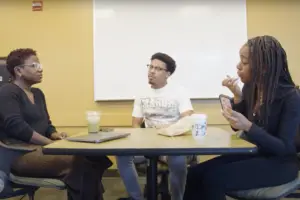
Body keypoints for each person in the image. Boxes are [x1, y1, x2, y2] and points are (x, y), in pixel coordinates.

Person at [183, 35, 300, 200]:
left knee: (213, 179)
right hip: (255, 154)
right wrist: (238, 100)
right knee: (194, 174)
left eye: (244, 63)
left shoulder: (291, 97)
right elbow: (238, 127)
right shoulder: (251, 88)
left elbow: (284, 148)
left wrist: (249, 127)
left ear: (263, 67)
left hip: (281, 163)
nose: (238, 66)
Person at [0, 48, 112, 200]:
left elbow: (46, 124)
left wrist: (54, 134)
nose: (40, 69)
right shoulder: (7, 91)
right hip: (19, 155)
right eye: (34, 65)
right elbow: (16, 126)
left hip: (40, 150)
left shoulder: (38, 94)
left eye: (39, 64)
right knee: (81, 162)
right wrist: (50, 144)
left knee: (92, 156)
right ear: (18, 71)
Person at [117, 52, 194, 200]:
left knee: (177, 159)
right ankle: (136, 197)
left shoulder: (179, 92)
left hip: (173, 143)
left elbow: (188, 120)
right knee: (122, 155)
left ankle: (177, 198)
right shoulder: (141, 94)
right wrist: (140, 143)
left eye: (158, 68)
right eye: (150, 67)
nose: (151, 71)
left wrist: (168, 134)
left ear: (168, 74)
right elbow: (135, 125)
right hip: (148, 144)